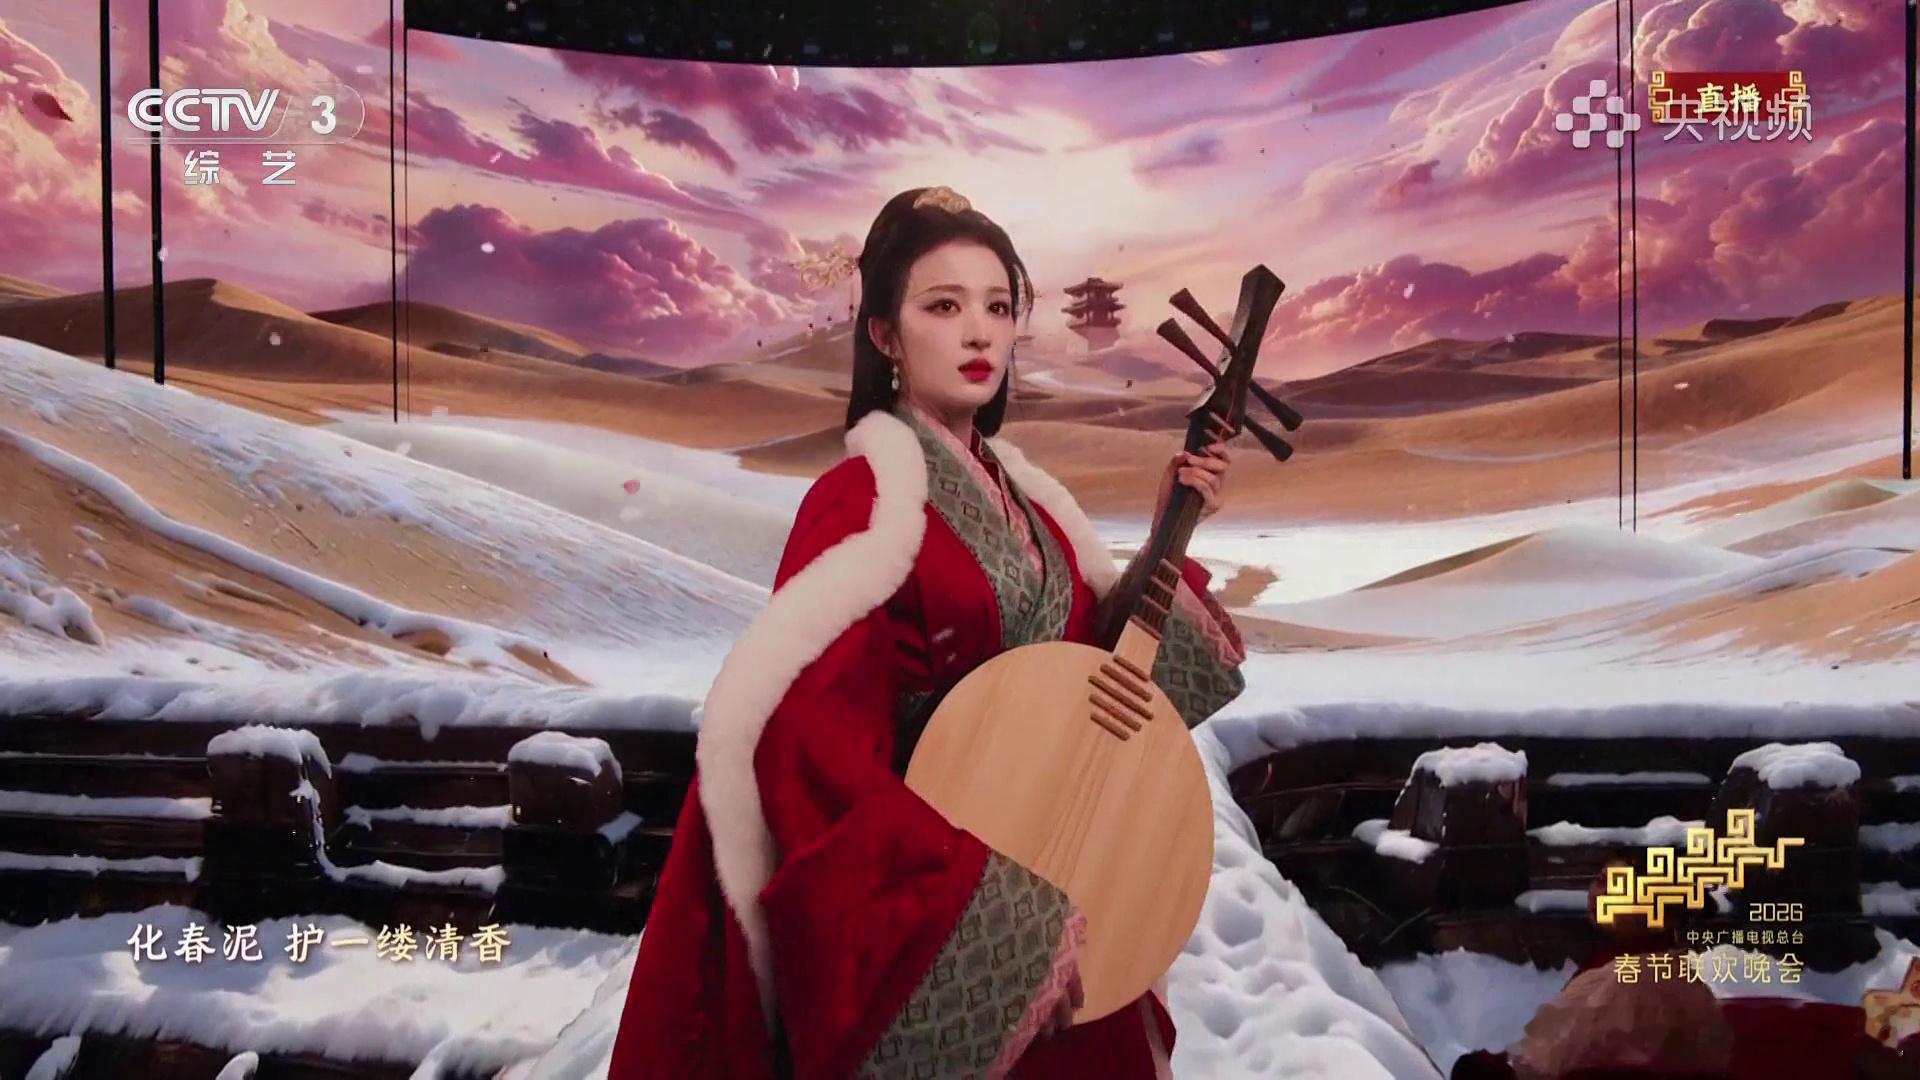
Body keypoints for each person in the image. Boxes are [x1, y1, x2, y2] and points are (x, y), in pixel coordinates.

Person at [607, 186, 1249, 1079]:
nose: (979, 333)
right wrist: (991, 916)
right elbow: (809, 750)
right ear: (884, 334)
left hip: (1051, 880)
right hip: (959, 919)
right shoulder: (860, 507)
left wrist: (1169, 532)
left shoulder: (1033, 507)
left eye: (998, 308)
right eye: (943, 307)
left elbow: (1088, 682)